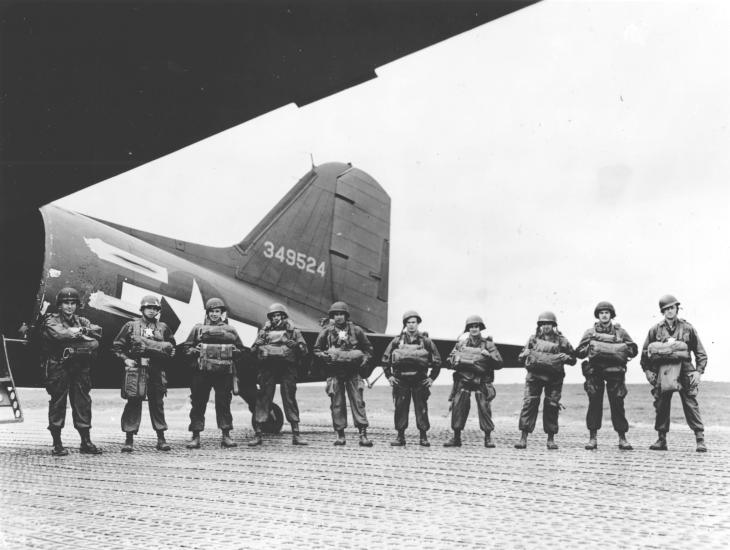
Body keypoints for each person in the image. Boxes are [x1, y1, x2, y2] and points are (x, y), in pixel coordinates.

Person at [641, 294, 708, 452]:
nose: (669, 311)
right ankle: (661, 439)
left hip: (685, 369)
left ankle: (700, 439)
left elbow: (700, 352)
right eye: (666, 309)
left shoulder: (688, 328)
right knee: (661, 404)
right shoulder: (655, 329)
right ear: (662, 312)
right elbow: (645, 353)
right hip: (663, 370)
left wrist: (698, 372)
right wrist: (647, 371)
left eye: (671, 308)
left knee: (691, 403)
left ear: (677, 308)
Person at [40, 287, 103, 456]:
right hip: (59, 367)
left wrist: (78, 333)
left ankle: (85, 441)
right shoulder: (51, 320)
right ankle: (57, 443)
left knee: (83, 402)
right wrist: (81, 336)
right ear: (59, 305)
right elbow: (59, 335)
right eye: (66, 303)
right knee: (58, 403)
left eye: (73, 303)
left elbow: (97, 334)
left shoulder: (82, 321)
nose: (69, 306)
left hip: (80, 367)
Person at [111, 295, 176, 452]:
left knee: (158, 403)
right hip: (137, 369)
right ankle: (129, 439)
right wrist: (126, 359)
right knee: (133, 402)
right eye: (149, 308)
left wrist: (168, 352)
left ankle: (161, 438)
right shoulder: (131, 326)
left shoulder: (163, 327)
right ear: (142, 309)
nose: (152, 311)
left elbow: (172, 347)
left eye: (155, 308)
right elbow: (117, 347)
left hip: (156, 369)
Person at [182, 297, 247, 449]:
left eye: (217, 311)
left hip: (223, 373)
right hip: (202, 372)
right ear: (208, 313)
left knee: (223, 403)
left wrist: (234, 352)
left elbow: (241, 350)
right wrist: (194, 350)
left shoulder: (230, 330)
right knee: (198, 403)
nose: (214, 314)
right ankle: (196, 436)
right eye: (211, 311)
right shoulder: (198, 329)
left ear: (222, 313)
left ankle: (226, 435)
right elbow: (186, 349)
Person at [575, 301, 638, 450]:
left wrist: (623, 350)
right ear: (598, 315)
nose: (604, 315)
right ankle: (593, 438)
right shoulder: (590, 333)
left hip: (615, 372)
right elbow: (579, 352)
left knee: (617, 404)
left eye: (607, 313)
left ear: (611, 315)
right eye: (601, 313)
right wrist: (589, 347)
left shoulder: (620, 332)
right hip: (595, 372)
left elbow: (633, 350)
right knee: (594, 403)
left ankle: (622, 438)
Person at [313, 301, 374, 446]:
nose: (339, 317)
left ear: (346, 315)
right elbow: (316, 349)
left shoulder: (356, 330)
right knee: (337, 403)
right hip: (335, 371)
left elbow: (368, 349)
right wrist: (324, 356)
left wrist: (364, 359)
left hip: (353, 371)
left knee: (358, 402)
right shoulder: (327, 331)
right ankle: (340, 435)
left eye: (341, 314)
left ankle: (362, 435)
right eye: (335, 314)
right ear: (332, 316)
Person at [248, 303, 309, 446]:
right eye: (273, 316)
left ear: (283, 316)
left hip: (287, 368)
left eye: (278, 315)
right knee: (263, 398)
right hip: (268, 368)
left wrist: (295, 345)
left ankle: (296, 434)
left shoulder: (294, 331)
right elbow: (253, 350)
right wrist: (259, 345)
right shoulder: (264, 332)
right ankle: (258, 434)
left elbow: (305, 350)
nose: (276, 318)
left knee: (289, 399)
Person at [515, 311, 576, 450]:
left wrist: (567, 358)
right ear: (540, 325)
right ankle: (523, 438)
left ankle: (550, 439)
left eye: (549, 323)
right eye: (543, 324)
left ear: (553, 325)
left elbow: (573, 359)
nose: (546, 326)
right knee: (529, 404)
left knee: (552, 406)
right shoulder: (532, 339)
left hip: (554, 378)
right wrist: (523, 355)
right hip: (534, 377)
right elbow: (520, 358)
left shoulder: (562, 341)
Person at [381, 310, 442, 447]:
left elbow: (437, 361)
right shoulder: (397, 341)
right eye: (408, 322)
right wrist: (389, 376)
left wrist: (432, 378)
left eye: (414, 322)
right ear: (405, 324)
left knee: (421, 408)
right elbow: (385, 359)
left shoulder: (426, 341)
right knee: (400, 408)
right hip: (401, 380)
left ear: (418, 323)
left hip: (419, 380)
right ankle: (400, 436)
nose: (411, 325)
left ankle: (423, 436)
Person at [443, 315, 503, 448]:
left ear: (480, 328)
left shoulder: (488, 344)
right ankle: (456, 437)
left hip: (481, 380)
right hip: (464, 380)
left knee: (484, 407)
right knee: (458, 406)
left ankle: (488, 437)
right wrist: (455, 359)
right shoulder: (461, 344)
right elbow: (449, 361)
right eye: (471, 327)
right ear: (468, 329)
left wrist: (489, 356)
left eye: (476, 326)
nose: (474, 329)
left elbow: (499, 363)